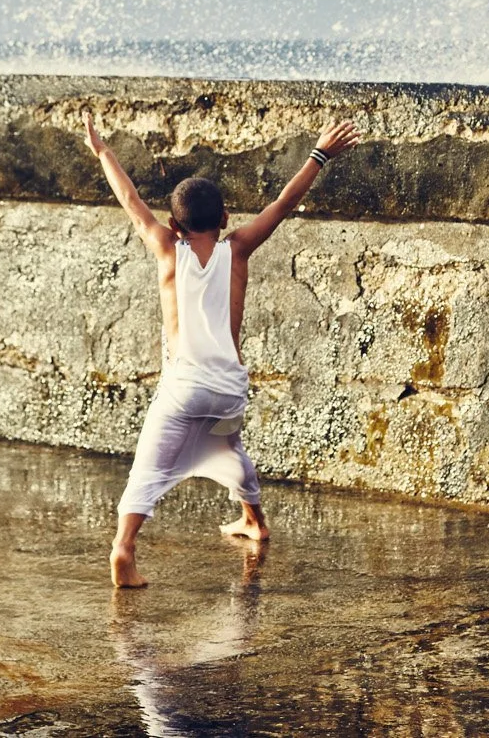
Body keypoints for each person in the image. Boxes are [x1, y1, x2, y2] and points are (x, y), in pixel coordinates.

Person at [82, 112, 361, 589]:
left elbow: (130, 202)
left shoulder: (167, 250)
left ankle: (124, 550)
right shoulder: (239, 248)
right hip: (229, 391)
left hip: (184, 390)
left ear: (174, 224)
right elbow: (284, 202)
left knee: (148, 468)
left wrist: (104, 151)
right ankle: (253, 520)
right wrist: (320, 154)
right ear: (227, 219)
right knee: (229, 447)